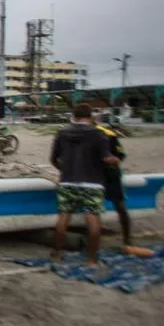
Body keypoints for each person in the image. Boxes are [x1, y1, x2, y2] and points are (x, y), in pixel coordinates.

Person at [50, 103, 120, 265]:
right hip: (92, 182)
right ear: (91, 116)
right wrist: (115, 161)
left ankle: (58, 253)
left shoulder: (62, 132)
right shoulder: (98, 134)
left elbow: (53, 159)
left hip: (67, 181)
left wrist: (65, 170)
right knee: (93, 221)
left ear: (74, 116)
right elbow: (106, 158)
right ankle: (91, 259)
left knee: (63, 218)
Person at [96, 122, 133, 248]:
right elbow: (120, 155)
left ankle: (127, 239)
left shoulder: (105, 134)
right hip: (107, 173)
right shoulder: (108, 133)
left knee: (95, 208)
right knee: (119, 205)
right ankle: (127, 239)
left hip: (101, 174)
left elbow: (119, 155)